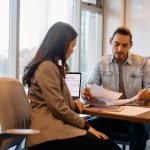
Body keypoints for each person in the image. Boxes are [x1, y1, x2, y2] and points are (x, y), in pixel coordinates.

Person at [22, 21, 121, 150]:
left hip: (55, 131)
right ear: (61, 45)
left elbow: (55, 101)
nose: (73, 50)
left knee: (106, 143)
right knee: (107, 146)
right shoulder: (47, 67)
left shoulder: (51, 66)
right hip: (48, 135)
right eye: (72, 46)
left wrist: (74, 104)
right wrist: (87, 126)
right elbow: (58, 108)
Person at [82, 26, 150, 150]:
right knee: (87, 126)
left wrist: (147, 93)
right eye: (116, 44)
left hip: (137, 116)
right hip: (111, 115)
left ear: (131, 45)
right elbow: (89, 86)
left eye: (124, 45)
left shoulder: (143, 62)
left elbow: (149, 88)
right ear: (110, 42)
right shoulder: (102, 63)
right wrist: (85, 92)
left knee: (138, 131)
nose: (120, 49)